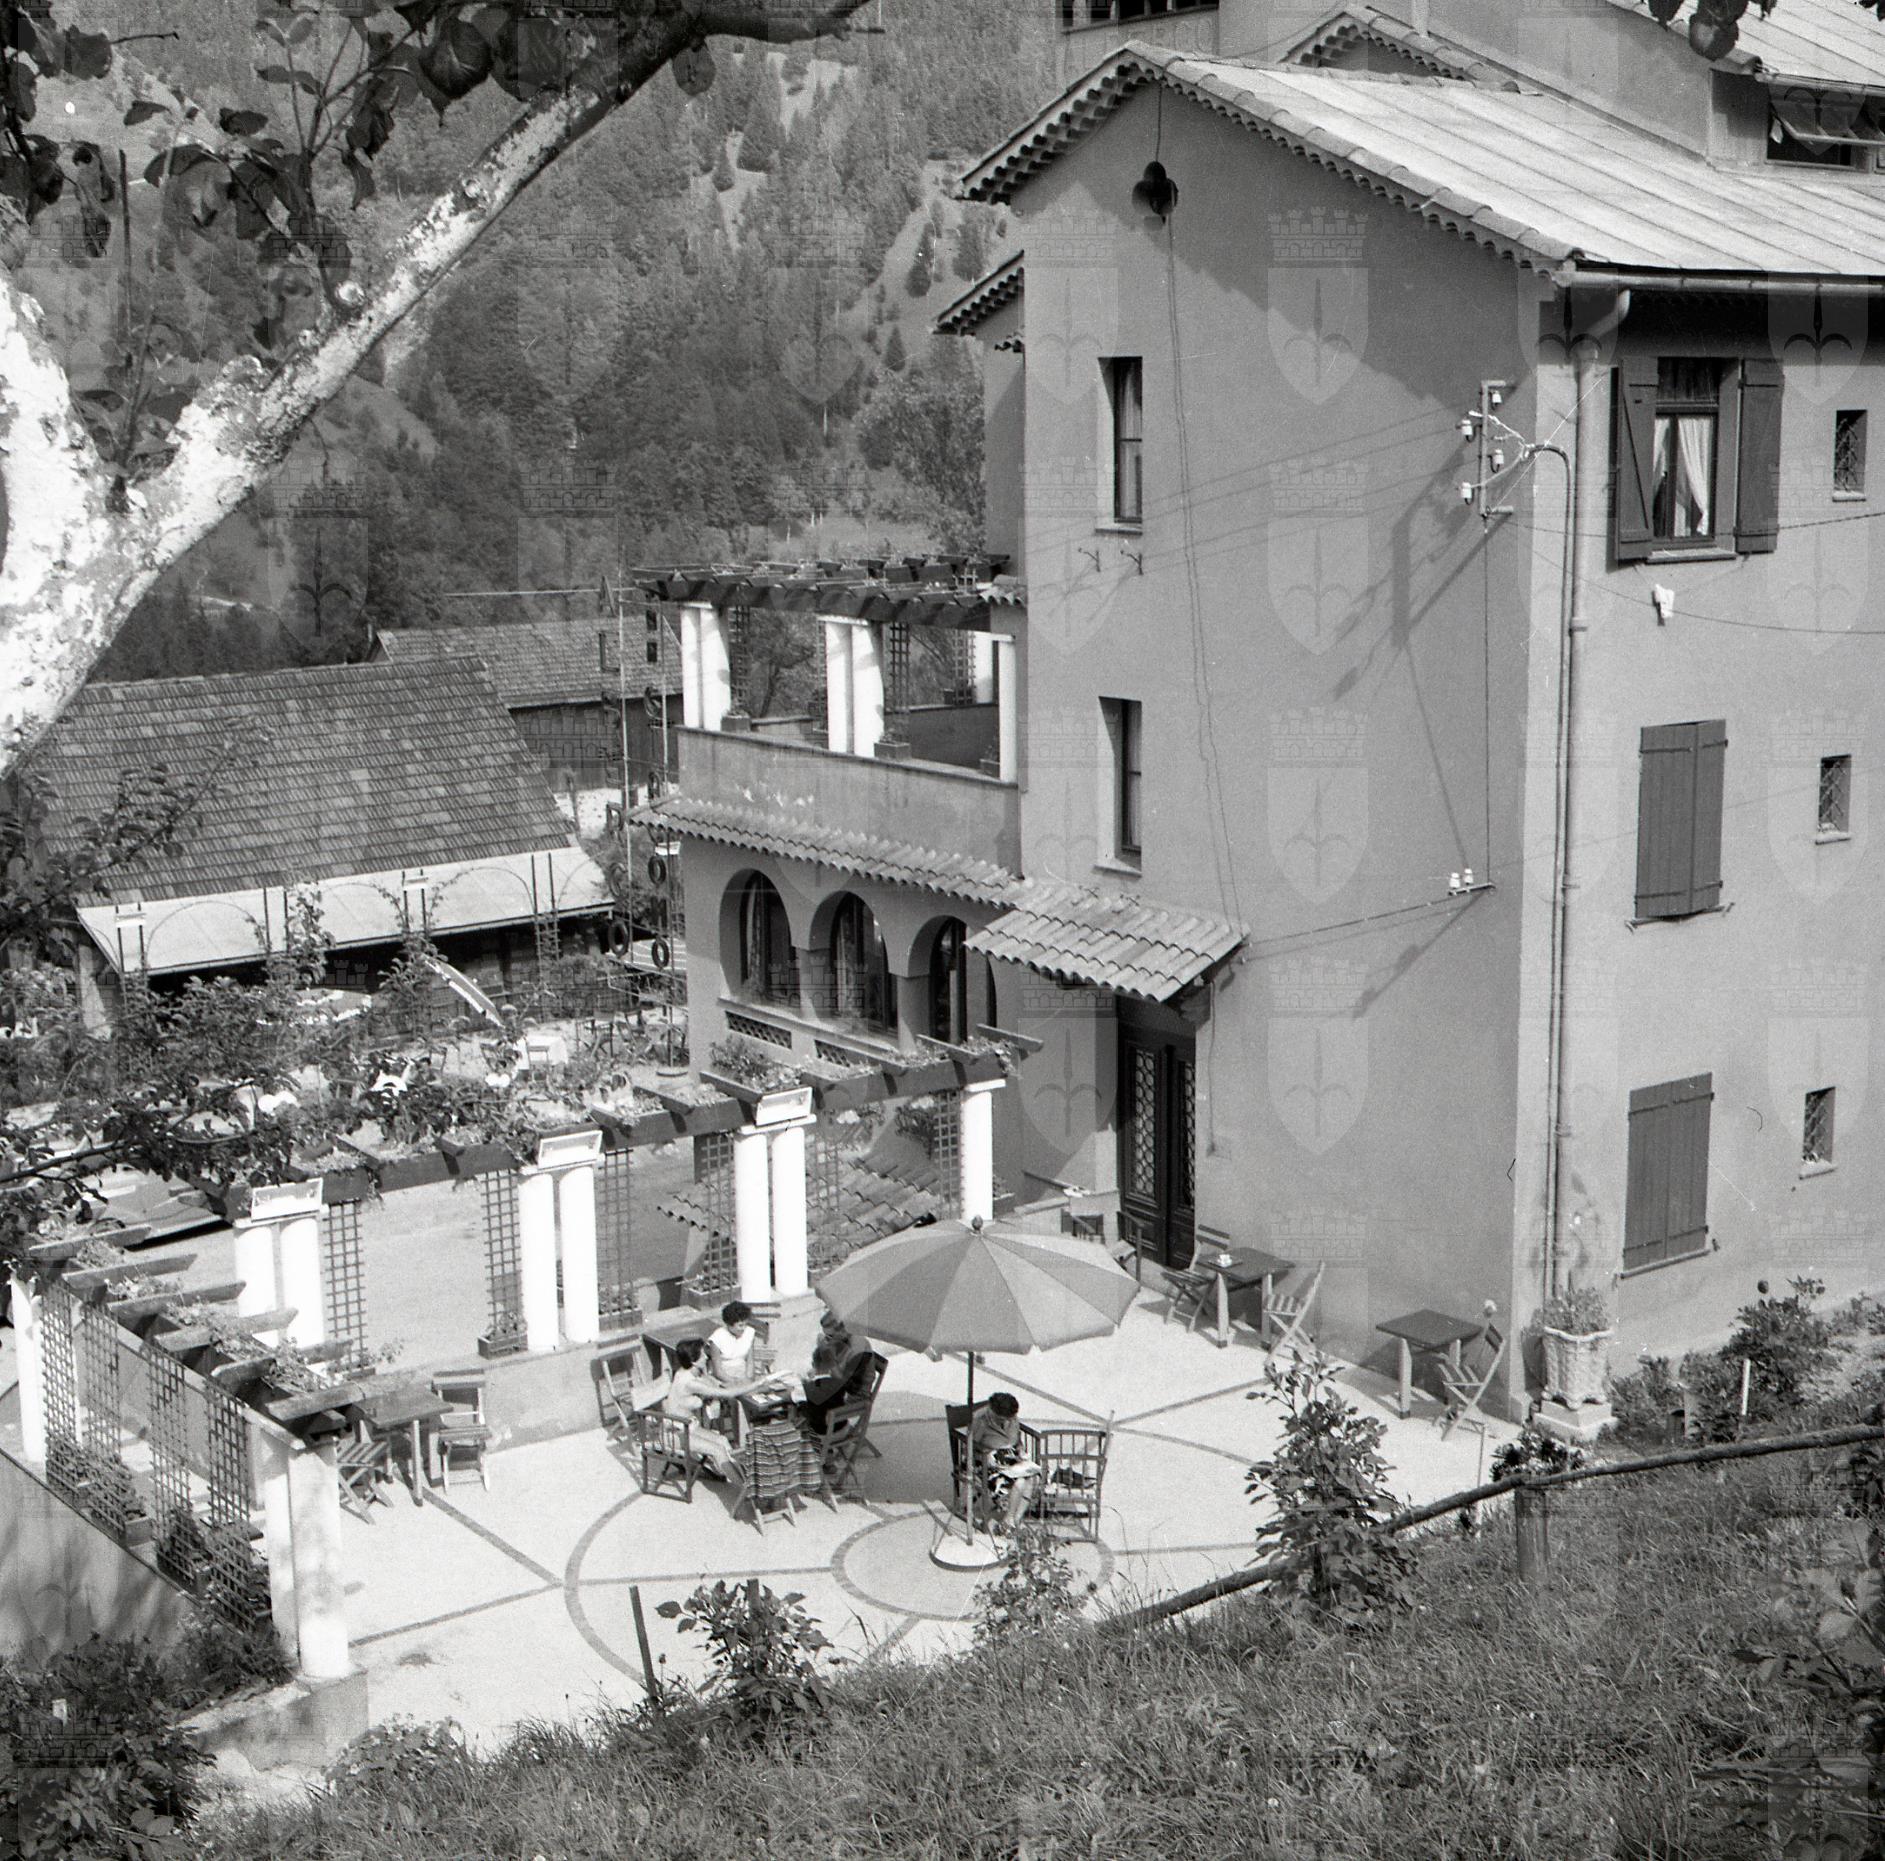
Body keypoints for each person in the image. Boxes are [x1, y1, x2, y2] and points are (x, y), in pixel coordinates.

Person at [660, 1337, 787, 1477]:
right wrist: (758, 1383)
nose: (706, 1357)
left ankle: (741, 1475)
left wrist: (715, 1381)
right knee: (718, 1450)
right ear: (694, 1361)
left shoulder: (683, 1372)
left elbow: (708, 1381)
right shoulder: (690, 1383)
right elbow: (727, 1394)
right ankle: (743, 1484)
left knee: (722, 1440)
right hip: (674, 1434)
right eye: (703, 1355)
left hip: (686, 1427)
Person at [968, 1392, 1040, 1535]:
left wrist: (1021, 1451)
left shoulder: (1011, 1417)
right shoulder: (980, 1420)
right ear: (994, 1412)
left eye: (1010, 1418)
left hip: (1010, 1460)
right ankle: (1010, 1519)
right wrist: (985, 1455)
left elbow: (1017, 1440)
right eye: (1003, 1419)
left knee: (1033, 1477)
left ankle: (1014, 1520)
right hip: (986, 1464)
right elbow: (969, 1446)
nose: (1009, 1421)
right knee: (1020, 1482)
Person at [795, 1309, 876, 1435]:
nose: (827, 1340)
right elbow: (825, 1366)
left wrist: (829, 1361)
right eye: (826, 1336)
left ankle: (819, 1435)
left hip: (854, 1396)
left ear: (843, 1331)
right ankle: (808, 1430)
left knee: (805, 1400)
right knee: (800, 1391)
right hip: (836, 1387)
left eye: (830, 1336)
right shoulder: (839, 1340)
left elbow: (850, 1387)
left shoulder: (859, 1350)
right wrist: (818, 1366)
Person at [706, 1300, 760, 1384]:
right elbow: (718, 1371)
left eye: (746, 1324)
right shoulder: (717, 1338)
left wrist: (748, 1379)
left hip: (742, 1372)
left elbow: (750, 1361)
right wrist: (735, 1382)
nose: (744, 1328)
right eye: (740, 1325)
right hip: (724, 1376)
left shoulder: (749, 1332)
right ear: (729, 1324)